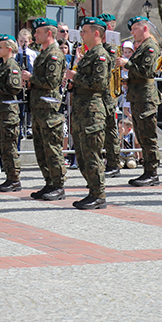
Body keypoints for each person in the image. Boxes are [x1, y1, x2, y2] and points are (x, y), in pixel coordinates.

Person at [65, 17, 111, 209]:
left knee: (91, 154)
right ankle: (92, 191)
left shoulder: (100, 55)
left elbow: (99, 83)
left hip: (92, 111)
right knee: (83, 155)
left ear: (96, 33)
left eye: (85, 31)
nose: (81, 34)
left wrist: (76, 77)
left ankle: (98, 194)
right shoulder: (88, 54)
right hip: (82, 110)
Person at [116, 15, 162, 186]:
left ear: (144, 28)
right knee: (142, 135)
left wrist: (127, 64)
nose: (132, 32)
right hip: (138, 95)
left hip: (146, 97)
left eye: (135, 28)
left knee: (148, 135)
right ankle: (148, 171)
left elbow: (146, 71)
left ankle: (152, 172)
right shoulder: (142, 46)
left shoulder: (150, 46)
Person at [24, 18, 67, 201]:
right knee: (41, 149)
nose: (35, 35)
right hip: (39, 108)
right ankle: (49, 182)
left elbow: (52, 82)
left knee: (52, 149)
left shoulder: (54, 54)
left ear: (48, 33)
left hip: (49, 109)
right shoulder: (43, 53)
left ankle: (58, 185)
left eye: (38, 32)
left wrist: (31, 78)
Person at [0, 34, 23, 192]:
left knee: (9, 146)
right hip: (0, 110)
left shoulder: (12, 65)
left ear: (9, 49)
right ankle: (9, 176)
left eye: (1, 47)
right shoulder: (2, 65)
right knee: (3, 145)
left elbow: (15, 88)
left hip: (8, 112)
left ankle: (14, 178)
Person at [98, 13, 122, 176]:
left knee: (109, 129)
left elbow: (109, 67)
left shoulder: (111, 47)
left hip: (107, 93)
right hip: (101, 92)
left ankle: (113, 163)